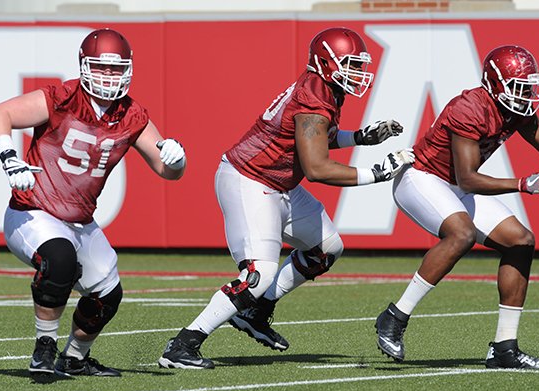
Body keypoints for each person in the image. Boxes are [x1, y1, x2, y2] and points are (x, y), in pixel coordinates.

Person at [158, 27, 414, 369]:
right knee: (258, 274)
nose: (357, 73)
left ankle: (256, 311)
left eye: (358, 65)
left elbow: (316, 137)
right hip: (250, 180)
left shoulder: (323, 89)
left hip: (279, 184)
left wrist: (360, 138)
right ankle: (183, 344)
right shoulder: (314, 99)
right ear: (327, 63)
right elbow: (317, 167)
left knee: (326, 248)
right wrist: (378, 172)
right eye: (350, 64)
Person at [0, 28, 187, 377]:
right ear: (83, 65)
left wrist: (177, 160)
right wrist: (9, 157)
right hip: (33, 211)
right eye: (101, 67)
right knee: (59, 261)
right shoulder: (61, 98)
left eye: (116, 68)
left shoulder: (132, 114)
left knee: (108, 296)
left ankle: (74, 358)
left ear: (129, 69)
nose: (109, 76)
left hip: (80, 220)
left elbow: (166, 171)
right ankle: (43, 350)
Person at [374, 45, 539, 369]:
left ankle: (504, 349)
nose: (526, 95)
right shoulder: (469, 108)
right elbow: (468, 179)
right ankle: (394, 317)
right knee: (461, 233)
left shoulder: (514, 109)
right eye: (518, 87)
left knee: (521, 241)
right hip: (422, 178)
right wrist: (522, 184)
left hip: (453, 185)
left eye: (529, 87)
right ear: (495, 84)